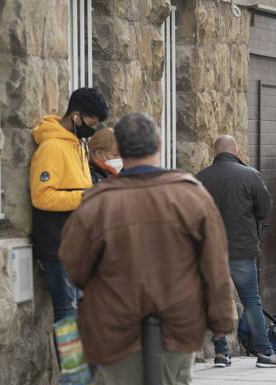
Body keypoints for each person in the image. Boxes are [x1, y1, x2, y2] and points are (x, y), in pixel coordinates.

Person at [58, 113, 237, 385]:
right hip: (178, 324)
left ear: (119, 149)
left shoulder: (98, 201)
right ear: (159, 145)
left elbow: (74, 265)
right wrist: (222, 321)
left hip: (113, 325)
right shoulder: (191, 196)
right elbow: (215, 266)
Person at [196, 135, 276, 368]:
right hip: (241, 249)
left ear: (214, 151)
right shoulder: (250, 175)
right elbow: (265, 208)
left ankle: (221, 353)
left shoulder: (199, 179)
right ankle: (265, 353)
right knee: (251, 300)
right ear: (236, 150)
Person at [29, 87, 108, 324]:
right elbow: (41, 197)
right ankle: (73, 364)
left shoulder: (77, 145)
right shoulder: (52, 148)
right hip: (58, 244)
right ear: (76, 116)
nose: (92, 129)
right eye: (90, 122)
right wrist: (85, 197)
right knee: (67, 314)